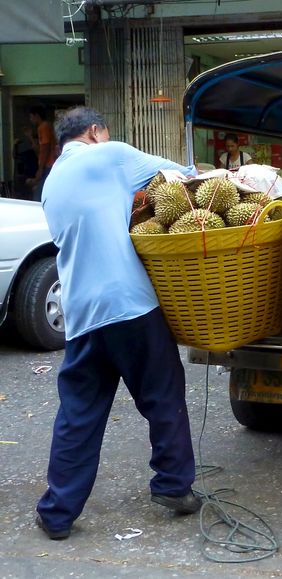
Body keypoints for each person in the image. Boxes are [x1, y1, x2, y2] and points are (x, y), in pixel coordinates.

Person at [35, 106, 201, 541]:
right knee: (162, 393)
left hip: (81, 312)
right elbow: (183, 179)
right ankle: (173, 486)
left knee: (79, 413)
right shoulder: (110, 156)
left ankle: (57, 512)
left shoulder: (51, 183)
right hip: (128, 303)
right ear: (94, 132)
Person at [27, 106, 58, 202]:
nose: (31, 120)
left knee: (38, 194)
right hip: (48, 164)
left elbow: (45, 148)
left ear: (37, 116)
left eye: (31, 117)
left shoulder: (43, 127)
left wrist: (40, 169)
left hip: (48, 165)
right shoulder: (46, 126)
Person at [13, 126, 38, 199]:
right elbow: (14, 155)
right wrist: (15, 145)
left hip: (33, 174)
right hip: (24, 175)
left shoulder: (35, 148)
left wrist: (30, 137)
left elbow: (37, 150)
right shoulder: (23, 147)